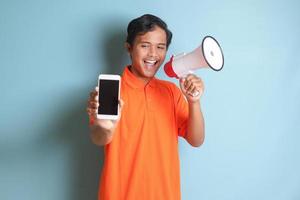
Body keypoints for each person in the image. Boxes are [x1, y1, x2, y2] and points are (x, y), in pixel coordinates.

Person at [87, 14, 205, 200]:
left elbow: (196, 140)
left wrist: (194, 101)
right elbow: (99, 137)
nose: (153, 54)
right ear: (129, 48)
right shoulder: (111, 90)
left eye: (160, 47)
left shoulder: (171, 92)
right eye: (144, 46)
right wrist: (105, 127)